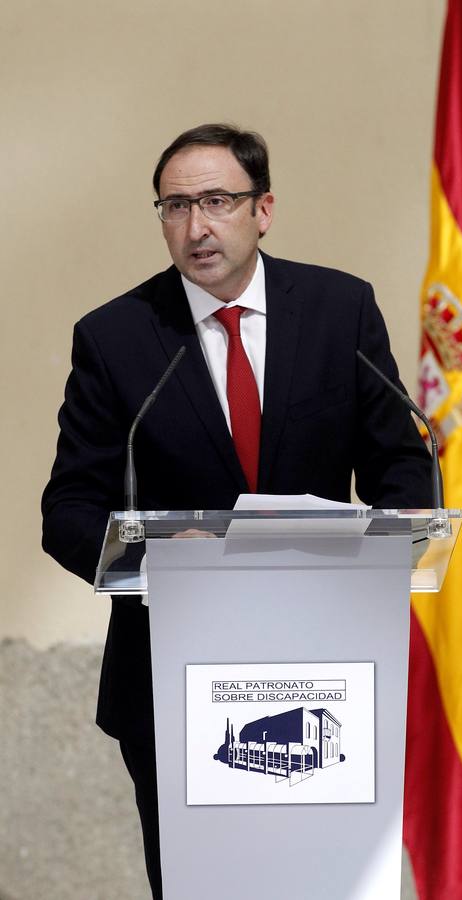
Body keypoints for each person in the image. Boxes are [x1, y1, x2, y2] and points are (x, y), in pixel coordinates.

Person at [42, 123, 432, 898]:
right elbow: (69, 509)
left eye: (217, 200)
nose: (196, 226)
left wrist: (372, 549)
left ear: (264, 209)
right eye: (175, 206)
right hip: (171, 678)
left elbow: (402, 468)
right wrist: (163, 562)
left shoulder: (338, 309)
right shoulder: (116, 338)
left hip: (329, 666)